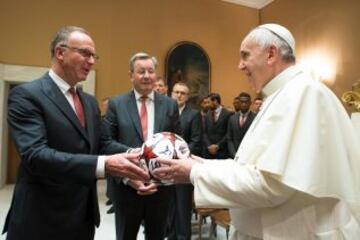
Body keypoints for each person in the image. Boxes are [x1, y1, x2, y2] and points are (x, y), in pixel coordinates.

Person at [153, 23, 360, 239]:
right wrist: (200, 164)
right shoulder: (281, 95)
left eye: (245, 56)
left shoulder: (302, 94)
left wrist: (194, 172)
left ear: (271, 54)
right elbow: (252, 166)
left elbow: (271, 184)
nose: (240, 66)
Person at [2, 26, 149, 240]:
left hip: (82, 217)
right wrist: (104, 165)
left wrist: (139, 155)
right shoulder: (27, 96)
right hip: (41, 218)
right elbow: (35, 155)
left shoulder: (88, 102)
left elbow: (101, 143)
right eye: (85, 53)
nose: (91, 61)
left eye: (94, 56)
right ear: (60, 53)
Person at [101, 52, 181, 240]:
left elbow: (177, 142)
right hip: (127, 187)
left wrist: (161, 177)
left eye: (151, 71)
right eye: (141, 71)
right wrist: (130, 171)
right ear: (131, 76)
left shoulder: (170, 105)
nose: (146, 75)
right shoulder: (116, 104)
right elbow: (106, 143)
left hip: (159, 189)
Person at [168, 82, 202, 240]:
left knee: (182, 206)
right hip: (166, 166)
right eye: (176, 92)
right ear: (171, 93)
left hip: (184, 166)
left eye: (183, 93)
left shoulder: (193, 114)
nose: (179, 95)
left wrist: (179, 156)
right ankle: (171, 235)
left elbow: (196, 140)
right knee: (169, 206)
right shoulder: (165, 111)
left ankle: (182, 237)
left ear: (187, 97)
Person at [227, 92, 256, 158]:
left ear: (250, 103)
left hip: (248, 155)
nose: (244, 104)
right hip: (233, 154)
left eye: (246, 102)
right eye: (242, 102)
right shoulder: (232, 118)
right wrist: (233, 153)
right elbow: (229, 138)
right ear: (238, 103)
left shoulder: (255, 118)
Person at [203, 93, 232, 159]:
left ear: (215, 101)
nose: (207, 105)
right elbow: (204, 132)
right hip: (208, 152)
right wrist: (209, 145)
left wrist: (218, 146)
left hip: (222, 152)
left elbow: (229, 133)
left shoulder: (228, 114)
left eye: (208, 102)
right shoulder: (207, 114)